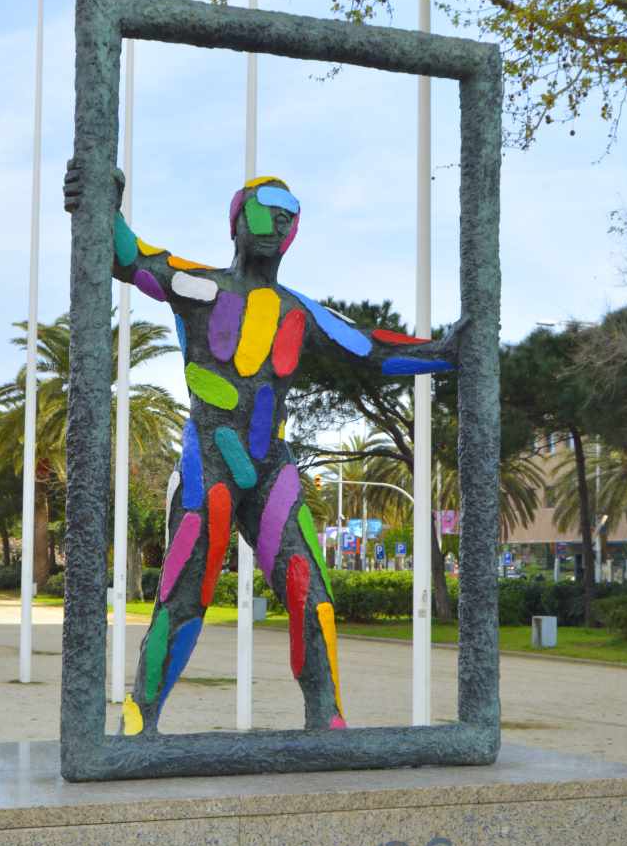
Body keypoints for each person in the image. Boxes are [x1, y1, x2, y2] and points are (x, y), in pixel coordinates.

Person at [63, 164, 465, 734]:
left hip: (271, 467)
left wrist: (445, 352)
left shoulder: (298, 312)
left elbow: (371, 348)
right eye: (266, 209)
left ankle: (327, 722)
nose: (278, 222)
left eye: (290, 214)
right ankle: (139, 722)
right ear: (236, 221)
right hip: (212, 458)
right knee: (184, 593)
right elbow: (129, 259)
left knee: (313, 597)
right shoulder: (200, 288)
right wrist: (101, 200)